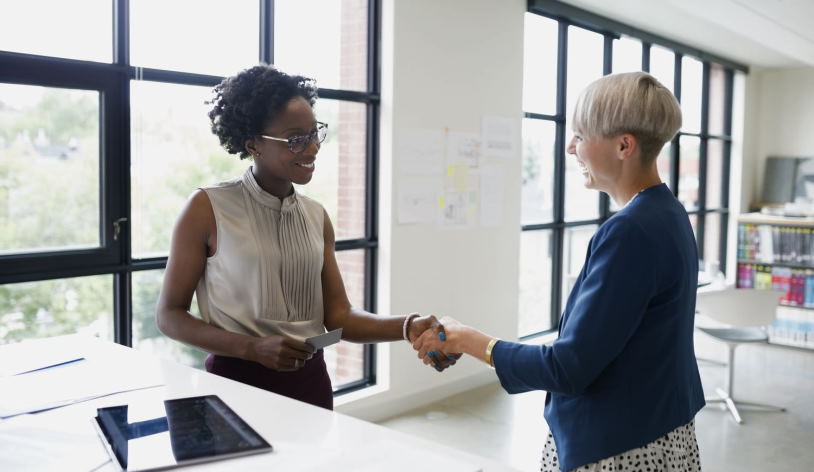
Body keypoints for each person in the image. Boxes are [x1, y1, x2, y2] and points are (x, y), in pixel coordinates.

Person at [414, 72, 704, 472]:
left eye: (581, 135)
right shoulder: (669, 213)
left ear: (624, 145)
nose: (570, 148)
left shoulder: (629, 231)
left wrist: (468, 340)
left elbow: (569, 367)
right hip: (661, 426)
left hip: (619, 444)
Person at [156, 65, 450, 411]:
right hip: (235, 384)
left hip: (309, 384)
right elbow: (170, 315)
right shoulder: (208, 207)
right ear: (253, 144)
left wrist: (408, 326)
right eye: (295, 138)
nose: (312, 148)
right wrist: (251, 348)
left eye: (314, 133)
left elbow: (339, 318)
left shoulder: (316, 216)